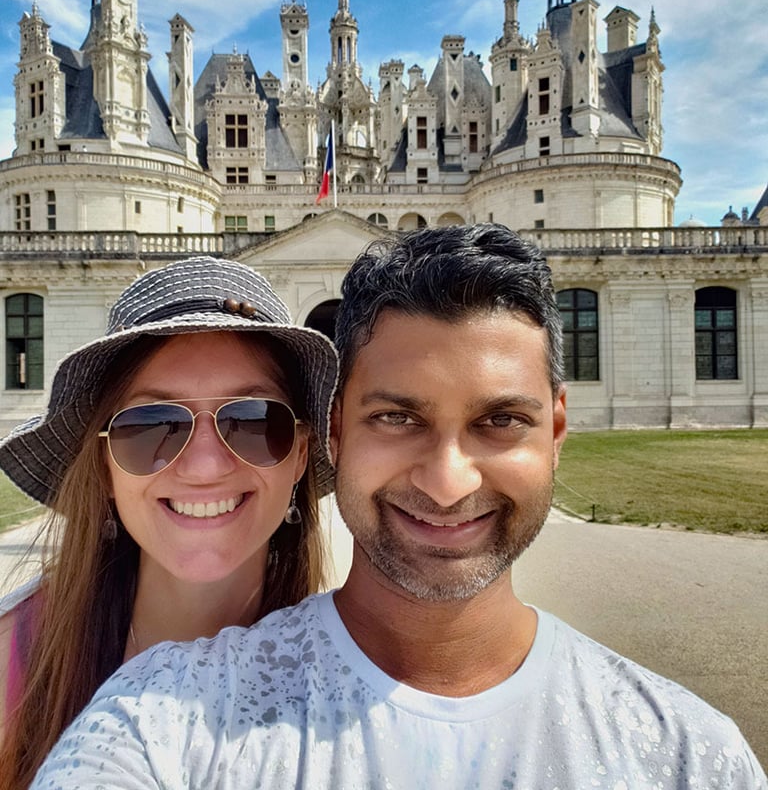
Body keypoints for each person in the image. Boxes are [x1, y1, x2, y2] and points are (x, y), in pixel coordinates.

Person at [30, 226, 766, 789]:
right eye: (398, 417)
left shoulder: (691, 754)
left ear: (556, 432)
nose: (447, 482)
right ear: (338, 430)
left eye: (500, 419)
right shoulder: (158, 714)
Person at [0, 256, 338, 788]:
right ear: (104, 467)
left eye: (253, 421)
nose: (205, 466)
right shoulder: (13, 660)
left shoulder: (356, 671)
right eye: (152, 424)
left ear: (299, 455)